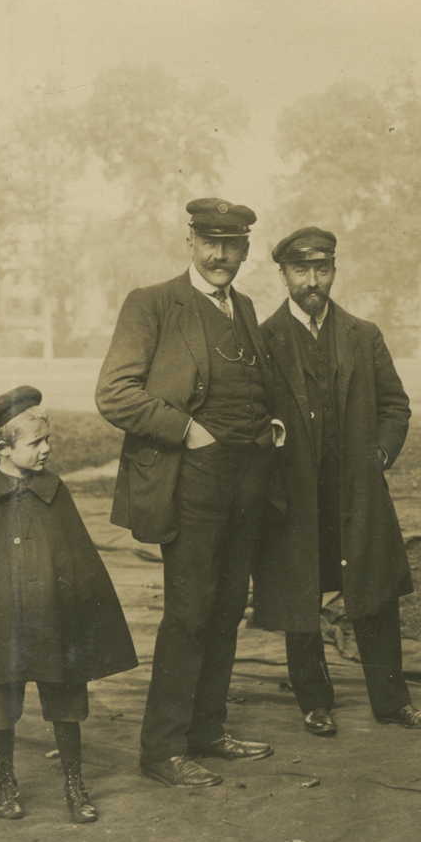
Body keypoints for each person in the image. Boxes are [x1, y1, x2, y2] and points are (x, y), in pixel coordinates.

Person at [95, 198, 283, 789]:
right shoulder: (151, 303)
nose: (220, 255)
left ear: (246, 249)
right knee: (190, 611)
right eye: (210, 243)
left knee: (227, 607)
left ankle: (206, 730)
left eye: (232, 245)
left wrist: (270, 423)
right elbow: (114, 393)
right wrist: (185, 429)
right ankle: (163, 749)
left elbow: (252, 385)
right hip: (190, 479)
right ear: (191, 243)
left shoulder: (244, 306)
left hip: (246, 476)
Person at [0, 386, 139, 823]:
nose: (47, 449)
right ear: (3, 449)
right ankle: (5, 782)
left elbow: (77, 560)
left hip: (53, 618)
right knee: (2, 703)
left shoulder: (55, 491)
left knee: (66, 699)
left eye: (47, 439)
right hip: (4, 625)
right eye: (36, 443)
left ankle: (74, 784)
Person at [253, 226, 421, 738]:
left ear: (334, 270)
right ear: (283, 275)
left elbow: (395, 405)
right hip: (295, 497)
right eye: (301, 270)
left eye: (322, 269)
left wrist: (379, 454)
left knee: (375, 594)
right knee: (301, 599)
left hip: (357, 492)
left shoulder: (364, 334)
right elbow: (250, 413)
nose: (312, 281)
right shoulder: (263, 339)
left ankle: (393, 701)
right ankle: (314, 702)